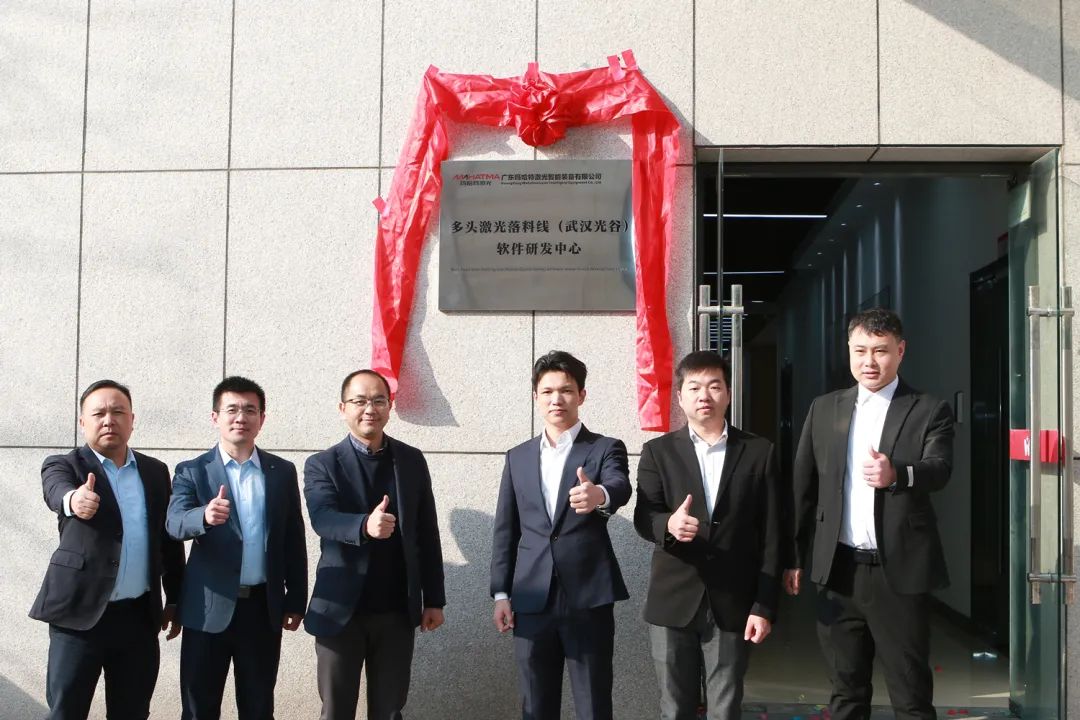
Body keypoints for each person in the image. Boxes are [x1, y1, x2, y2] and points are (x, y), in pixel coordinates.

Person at [785, 308, 954, 720]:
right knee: (846, 693)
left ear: (901, 351)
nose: (869, 361)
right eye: (860, 350)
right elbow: (802, 488)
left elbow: (939, 469)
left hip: (898, 572)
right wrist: (794, 557)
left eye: (880, 350)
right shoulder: (824, 409)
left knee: (910, 695)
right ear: (848, 350)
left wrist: (897, 473)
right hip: (838, 569)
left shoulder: (928, 409)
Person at [634, 351, 781, 720]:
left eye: (714, 386)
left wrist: (764, 605)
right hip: (672, 601)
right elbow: (644, 516)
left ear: (728, 393)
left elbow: (772, 533)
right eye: (694, 387)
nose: (704, 395)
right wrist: (668, 525)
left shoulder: (758, 452)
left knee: (725, 709)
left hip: (733, 601)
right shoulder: (658, 452)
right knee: (674, 709)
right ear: (680, 397)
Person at [29, 379, 185, 720]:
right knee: (66, 712)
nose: (108, 420)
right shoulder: (65, 465)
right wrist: (74, 499)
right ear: (82, 422)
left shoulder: (155, 472)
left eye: (118, 412)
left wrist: (175, 597)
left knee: (132, 712)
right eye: (98, 413)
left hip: (138, 619)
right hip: (78, 618)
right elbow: (56, 491)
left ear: (132, 419)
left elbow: (168, 539)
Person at [490, 350, 631, 720]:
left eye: (566, 390)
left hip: (587, 596)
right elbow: (506, 530)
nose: (557, 399)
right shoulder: (517, 457)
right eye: (548, 391)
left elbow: (619, 484)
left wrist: (600, 495)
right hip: (531, 598)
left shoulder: (604, 447)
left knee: (593, 703)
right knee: (536, 705)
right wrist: (501, 594)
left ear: (581, 395)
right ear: (536, 397)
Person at [303, 369, 445, 720]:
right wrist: (364, 525)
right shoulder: (322, 464)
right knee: (336, 711)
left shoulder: (411, 460)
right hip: (340, 612)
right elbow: (323, 518)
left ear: (390, 406)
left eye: (379, 400)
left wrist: (434, 599)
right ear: (342, 408)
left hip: (396, 612)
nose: (370, 409)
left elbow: (427, 533)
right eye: (359, 401)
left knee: (389, 711)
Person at [166, 376, 308, 720]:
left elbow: (292, 537)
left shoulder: (281, 471)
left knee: (258, 707)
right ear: (215, 417)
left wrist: (295, 598)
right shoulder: (193, 471)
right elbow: (174, 522)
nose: (240, 417)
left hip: (261, 609)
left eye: (250, 410)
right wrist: (204, 516)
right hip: (207, 608)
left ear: (262, 418)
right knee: (198, 709)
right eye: (231, 409)